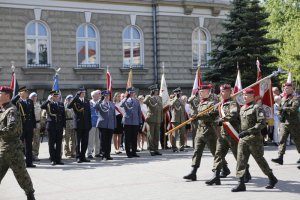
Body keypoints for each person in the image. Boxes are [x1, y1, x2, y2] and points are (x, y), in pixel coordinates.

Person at [232, 88, 277, 192]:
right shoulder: (242, 108)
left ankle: (271, 177)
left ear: (252, 96)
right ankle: (241, 183)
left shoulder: (257, 108)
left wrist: (248, 131)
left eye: (246, 95)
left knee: (259, 160)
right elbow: (241, 123)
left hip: (254, 138)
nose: (244, 97)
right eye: (243, 95)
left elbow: (261, 123)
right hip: (243, 138)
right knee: (241, 160)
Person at [205, 84, 251, 186]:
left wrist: (222, 119)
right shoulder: (220, 104)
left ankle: (246, 173)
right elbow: (212, 114)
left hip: (232, 134)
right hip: (222, 135)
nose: (223, 93)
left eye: (225, 91)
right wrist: (200, 115)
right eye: (221, 91)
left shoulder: (233, 103)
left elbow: (233, 114)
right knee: (218, 155)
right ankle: (216, 176)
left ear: (230, 92)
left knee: (238, 156)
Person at [0, 86, 36, 200]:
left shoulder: (12, 110)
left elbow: (12, 130)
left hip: (13, 150)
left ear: (7, 95)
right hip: (3, 148)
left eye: (0, 93)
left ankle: (30, 195)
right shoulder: (3, 110)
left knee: (21, 175)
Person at [183, 84, 218, 181]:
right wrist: (194, 117)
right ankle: (193, 172)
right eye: (200, 92)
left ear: (208, 92)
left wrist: (199, 116)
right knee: (197, 152)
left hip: (209, 131)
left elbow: (212, 116)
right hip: (199, 131)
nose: (200, 94)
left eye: (203, 92)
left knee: (215, 152)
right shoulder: (200, 104)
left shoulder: (211, 104)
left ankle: (219, 171)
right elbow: (197, 117)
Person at [271, 82, 300, 166]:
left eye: (287, 88)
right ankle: (280, 157)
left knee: (297, 140)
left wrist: (284, 108)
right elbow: (280, 108)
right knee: (282, 139)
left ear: (291, 89)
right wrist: (280, 111)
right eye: (284, 88)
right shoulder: (283, 98)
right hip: (284, 122)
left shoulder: (295, 98)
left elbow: (294, 109)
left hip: (293, 123)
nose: (285, 89)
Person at [12, 86, 36, 168]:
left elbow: (32, 114)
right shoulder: (18, 101)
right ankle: (19, 162)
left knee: (29, 145)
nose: (27, 93)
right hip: (21, 126)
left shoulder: (30, 101)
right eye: (25, 92)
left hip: (29, 126)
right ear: (22, 93)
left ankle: (29, 162)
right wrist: (18, 95)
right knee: (20, 145)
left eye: (27, 92)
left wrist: (34, 126)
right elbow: (12, 101)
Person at [41, 91, 66, 165]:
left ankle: (58, 159)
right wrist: (48, 100)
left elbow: (63, 116)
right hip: (51, 126)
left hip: (59, 126)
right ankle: (53, 159)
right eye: (54, 96)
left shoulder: (61, 104)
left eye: (57, 96)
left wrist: (64, 126)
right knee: (51, 144)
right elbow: (42, 106)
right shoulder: (49, 103)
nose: (56, 97)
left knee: (59, 143)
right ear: (52, 96)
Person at [67, 87, 92, 163]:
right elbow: (69, 106)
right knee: (78, 142)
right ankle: (78, 157)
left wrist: (90, 124)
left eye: (84, 92)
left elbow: (88, 113)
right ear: (79, 93)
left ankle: (83, 156)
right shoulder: (75, 101)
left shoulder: (87, 101)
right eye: (82, 92)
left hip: (86, 124)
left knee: (85, 141)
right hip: (78, 124)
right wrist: (75, 97)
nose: (83, 94)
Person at [120, 87, 142, 158]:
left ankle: (134, 152)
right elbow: (121, 104)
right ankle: (128, 153)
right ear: (129, 93)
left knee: (134, 138)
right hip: (127, 121)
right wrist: (126, 97)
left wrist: (140, 122)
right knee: (127, 138)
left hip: (135, 121)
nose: (133, 93)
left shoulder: (136, 101)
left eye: (133, 92)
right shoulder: (126, 100)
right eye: (131, 92)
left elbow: (139, 112)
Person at [96, 90, 116, 160]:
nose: (107, 97)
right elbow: (96, 107)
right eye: (106, 96)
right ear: (103, 96)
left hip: (110, 124)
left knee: (108, 140)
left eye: (108, 96)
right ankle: (104, 155)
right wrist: (99, 100)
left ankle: (108, 154)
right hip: (102, 124)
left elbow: (114, 115)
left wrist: (114, 125)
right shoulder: (100, 103)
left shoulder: (112, 104)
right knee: (103, 140)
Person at [144, 84, 163, 156]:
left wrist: (161, 118)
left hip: (158, 118)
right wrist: (148, 96)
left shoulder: (159, 98)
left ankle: (156, 149)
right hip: (151, 118)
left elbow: (161, 108)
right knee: (151, 135)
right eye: (155, 90)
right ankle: (151, 149)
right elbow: (144, 102)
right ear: (152, 91)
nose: (157, 91)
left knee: (156, 135)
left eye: (157, 90)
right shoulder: (149, 97)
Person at [169, 87, 186, 152]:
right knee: (174, 134)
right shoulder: (172, 99)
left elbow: (183, 109)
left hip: (182, 119)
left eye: (180, 93)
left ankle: (182, 147)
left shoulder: (181, 100)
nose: (180, 94)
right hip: (175, 120)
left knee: (182, 134)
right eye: (178, 93)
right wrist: (176, 97)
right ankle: (174, 148)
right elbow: (171, 104)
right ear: (175, 93)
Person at [87, 90, 101, 159]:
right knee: (91, 139)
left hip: (99, 123)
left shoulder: (99, 102)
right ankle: (89, 153)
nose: (98, 96)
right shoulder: (89, 103)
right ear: (93, 96)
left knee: (97, 139)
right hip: (92, 123)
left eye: (98, 95)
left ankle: (97, 152)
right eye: (97, 95)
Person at [29, 92, 42, 161]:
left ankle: (35, 154)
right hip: (29, 125)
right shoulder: (28, 104)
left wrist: (42, 126)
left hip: (37, 125)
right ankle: (29, 154)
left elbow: (41, 116)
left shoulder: (38, 105)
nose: (34, 98)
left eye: (35, 96)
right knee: (28, 141)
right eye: (33, 97)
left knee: (36, 140)